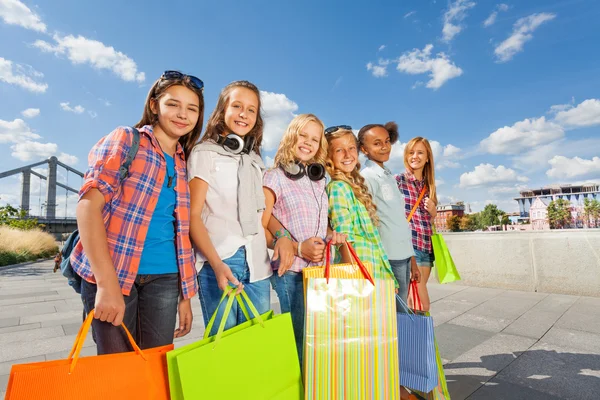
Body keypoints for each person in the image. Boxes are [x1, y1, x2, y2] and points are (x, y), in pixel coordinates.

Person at [72, 71, 204, 354]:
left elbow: (179, 232)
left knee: (156, 370)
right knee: (117, 372)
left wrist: (185, 297)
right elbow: (87, 207)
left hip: (166, 279)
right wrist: (107, 286)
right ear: (154, 105)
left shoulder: (184, 161)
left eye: (192, 108)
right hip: (114, 276)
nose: (183, 114)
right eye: (173, 104)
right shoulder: (127, 139)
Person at [188, 80, 272, 336]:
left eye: (251, 109)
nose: (243, 114)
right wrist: (215, 263)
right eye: (237, 106)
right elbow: (192, 216)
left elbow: (263, 216)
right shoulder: (204, 153)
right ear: (223, 110)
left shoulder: (256, 160)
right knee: (224, 348)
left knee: (258, 345)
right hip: (222, 258)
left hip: (258, 263)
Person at [262, 113, 345, 363]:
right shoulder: (273, 177)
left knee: (320, 341)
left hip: (320, 272)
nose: (308, 142)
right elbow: (260, 225)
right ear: (291, 137)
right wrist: (298, 248)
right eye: (303, 135)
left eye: (315, 139)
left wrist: (332, 235)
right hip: (293, 273)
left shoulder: (320, 180)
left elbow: (320, 225)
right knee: (300, 342)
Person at [358, 122, 420, 305]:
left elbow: (398, 221)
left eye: (386, 141)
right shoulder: (367, 177)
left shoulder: (387, 176)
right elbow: (366, 221)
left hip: (403, 254)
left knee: (399, 311)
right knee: (393, 315)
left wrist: (412, 260)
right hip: (388, 257)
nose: (384, 146)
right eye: (377, 143)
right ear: (364, 149)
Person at [324, 125, 395, 282]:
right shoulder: (338, 187)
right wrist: (356, 279)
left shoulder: (352, 186)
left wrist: (387, 276)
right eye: (339, 150)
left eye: (351, 148)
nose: (347, 154)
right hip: (361, 273)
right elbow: (344, 238)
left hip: (372, 270)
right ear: (329, 157)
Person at [396, 137, 438, 312]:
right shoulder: (398, 181)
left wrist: (434, 212)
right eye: (411, 152)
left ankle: (414, 337)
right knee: (419, 303)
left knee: (415, 302)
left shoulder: (429, 187)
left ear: (427, 157)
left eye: (420, 152)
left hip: (426, 247)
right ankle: (421, 337)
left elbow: (430, 220)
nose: (415, 156)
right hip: (408, 247)